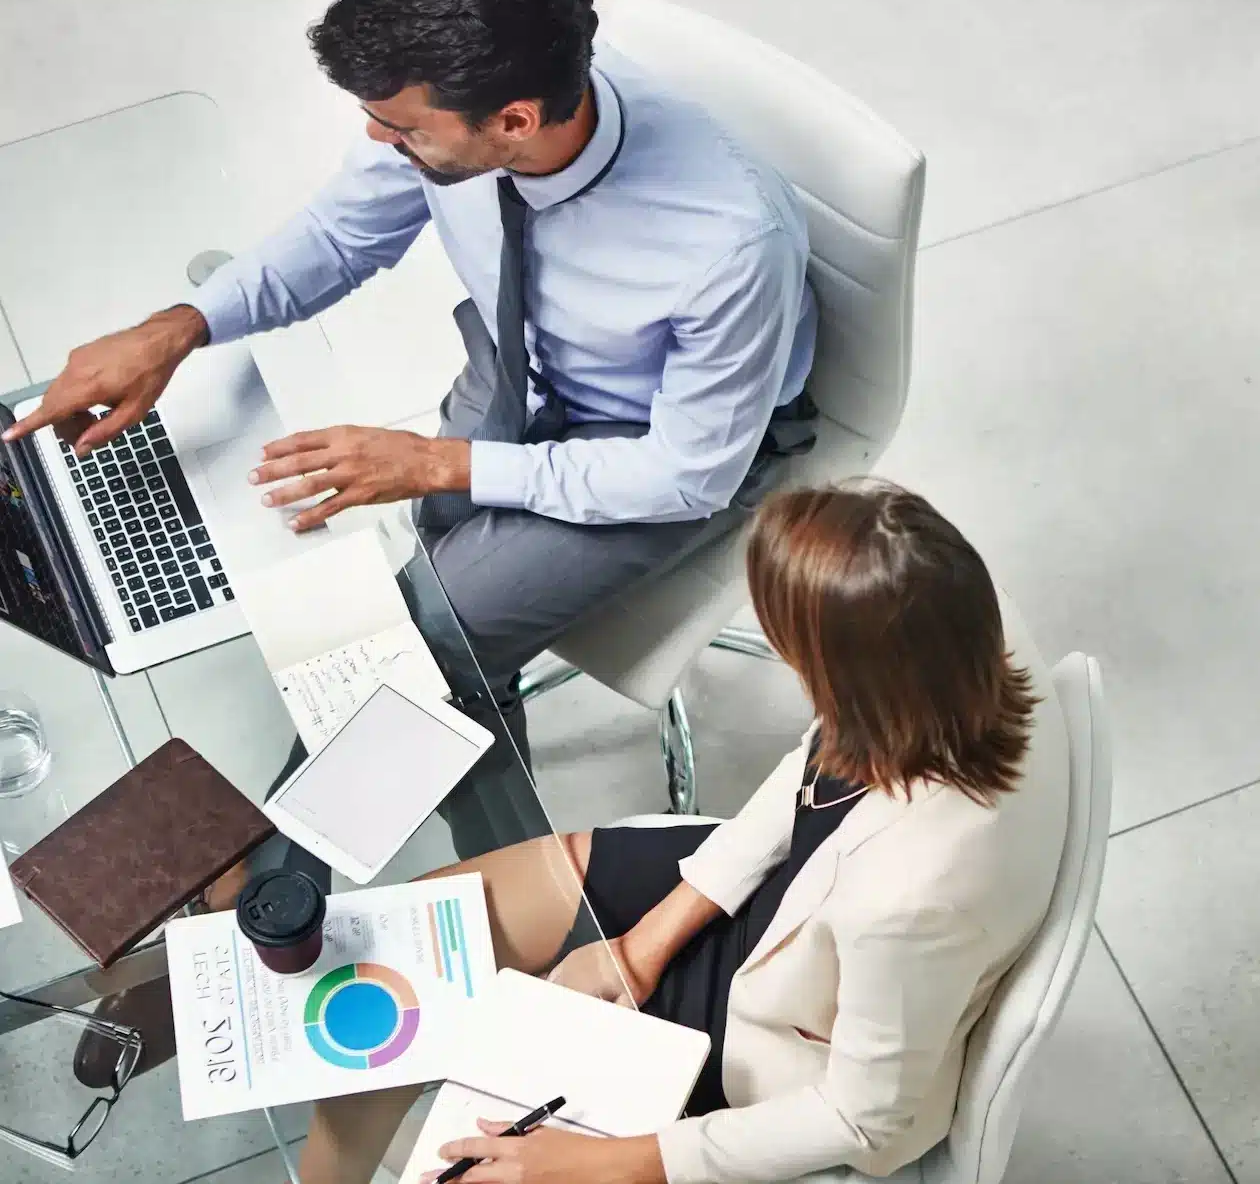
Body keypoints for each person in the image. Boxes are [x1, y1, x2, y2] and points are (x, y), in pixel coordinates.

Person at [1, 0, 817, 860]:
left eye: (400, 127)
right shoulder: (465, 111)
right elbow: (344, 238)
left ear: (513, 121)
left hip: (654, 451)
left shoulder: (727, 246)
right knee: (426, 586)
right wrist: (177, 328)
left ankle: (266, 883)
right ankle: (467, 748)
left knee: (414, 645)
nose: (375, 139)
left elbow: (686, 477)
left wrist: (437, 461)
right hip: (524, 368)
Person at [293, 482, 1071, 1184]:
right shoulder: (947, 646)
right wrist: (644, 943)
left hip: (779, 1022)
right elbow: (816, 763)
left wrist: (608, 1165)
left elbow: (863, 1118)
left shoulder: (914, 898)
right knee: (401, 947)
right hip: (775, 895)